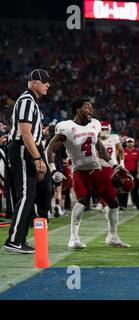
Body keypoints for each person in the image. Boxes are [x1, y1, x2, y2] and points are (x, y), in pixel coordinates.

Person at [46, 97, 130, 249]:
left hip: (96, 170)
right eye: (87, 107)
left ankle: (112, 236)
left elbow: (100, 148)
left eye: (92, 107)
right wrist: (53, 170)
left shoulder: (94, 125)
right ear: (78, 109)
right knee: (83, 200)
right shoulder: (66, 127)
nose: (91, 109)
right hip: (79, 171)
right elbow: (50, 149)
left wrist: (115, 165)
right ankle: (73, 238)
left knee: (113, 202)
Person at [3, 69, 49, 254]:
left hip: (26, 148)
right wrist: (37, 157)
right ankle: (14, 240)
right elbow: (25, 132)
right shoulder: (26, 101)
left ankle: (18, 238)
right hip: (22, 148)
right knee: (25, 194)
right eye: (44, 81)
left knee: (29, 194)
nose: (48, 85)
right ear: (34, 82)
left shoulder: (30, 102)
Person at [97, 121, 124, 211]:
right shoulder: (96, 138)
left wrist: (122, 163)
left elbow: (121, 151)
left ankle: (110, 203)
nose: (104, 131)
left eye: (106, 129)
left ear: (109, 130)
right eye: (102, 129)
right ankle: (103, 203)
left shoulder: (114, 138)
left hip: (110, 166)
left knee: (111, 186)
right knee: (100, 186)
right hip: (99, 166)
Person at [119, 137, 139, 209]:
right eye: (128, 142)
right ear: (126, 143)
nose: (130, 143)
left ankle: (136, 203)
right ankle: (123, 205)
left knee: (135, 188)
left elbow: (138, 163)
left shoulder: (136, 151)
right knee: (124, 189)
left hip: (134, 172)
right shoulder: (123, 151)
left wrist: (138, 172)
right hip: (125, 172)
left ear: (133, 143)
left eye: (131, 142)